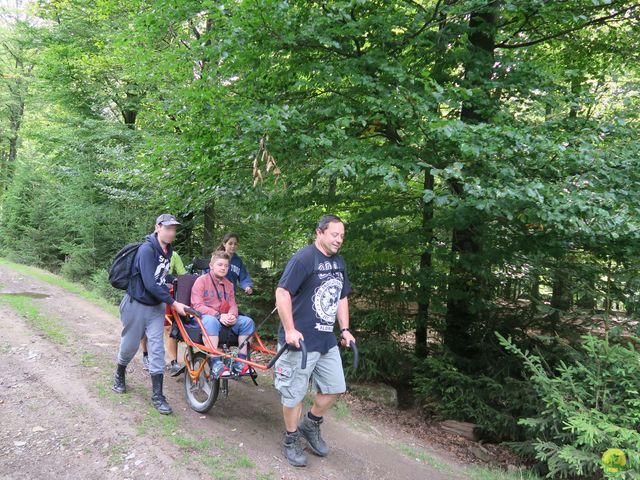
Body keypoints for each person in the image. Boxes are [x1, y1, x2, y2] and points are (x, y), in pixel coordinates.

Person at [274, 214, 356, 467]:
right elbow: (282, 292)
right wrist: (289, 329)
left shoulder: (339, 262)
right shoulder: (304, 258)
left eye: (342, 236)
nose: (339, 240)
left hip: (325, 340)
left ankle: (310, 425)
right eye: (335, 234)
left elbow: (341, 297)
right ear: (319, 232)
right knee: (294, 395)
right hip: (299, 341)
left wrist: (345, 329)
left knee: (334, 387)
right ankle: (290, 439)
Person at [111, 214, 189, 415]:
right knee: (130, 345)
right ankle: (120, 373)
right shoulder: (146, 250)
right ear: (158, 227)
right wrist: (173, 302)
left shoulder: (167, 251)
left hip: (156, 307)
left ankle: (157, 395)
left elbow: (161, 277)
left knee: (156, 349)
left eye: (174, 229)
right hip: (137, 304)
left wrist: (179, 280)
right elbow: (149, 282)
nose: (171, 232)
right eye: (168, 228)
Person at [190, 251, 255, 378]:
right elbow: (197, 306)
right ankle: (215, 362)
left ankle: (241, 361)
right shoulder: (201, 281)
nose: (223, 268)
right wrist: (218, 316)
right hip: (206, 318)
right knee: (211, 321)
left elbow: (232, 304)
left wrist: (232, 315)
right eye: (220, 265)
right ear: (211, 265)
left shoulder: (229, 284)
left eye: (226, 266)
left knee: (247, 322)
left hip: (225, 319)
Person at [140, 250, 187, 375]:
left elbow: (183, 275)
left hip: (166, 294)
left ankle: (173, 362)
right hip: (149, 294)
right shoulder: (147, 253)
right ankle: (145, 355)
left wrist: (176, 281)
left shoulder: (174, 255)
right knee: (145, 326)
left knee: (169, 326)